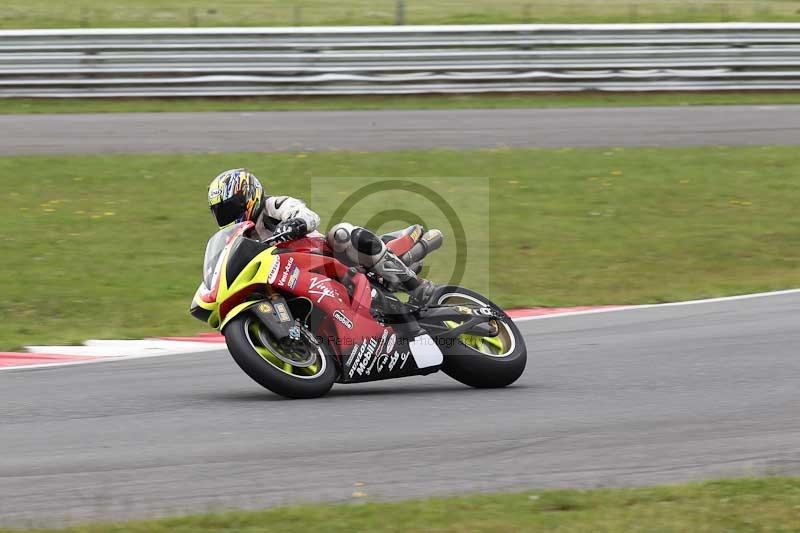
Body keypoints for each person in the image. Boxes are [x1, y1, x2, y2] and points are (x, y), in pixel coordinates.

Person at [207, 168, 434, 304]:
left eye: (231, 207)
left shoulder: (272, 206)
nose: (229, 215)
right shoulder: (242, 236)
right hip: (291, 275)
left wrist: (294, 223)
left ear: (249, 194)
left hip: (322, 254)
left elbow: (308, 215)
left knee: (342, 233)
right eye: (222, 212)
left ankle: (416, 286)